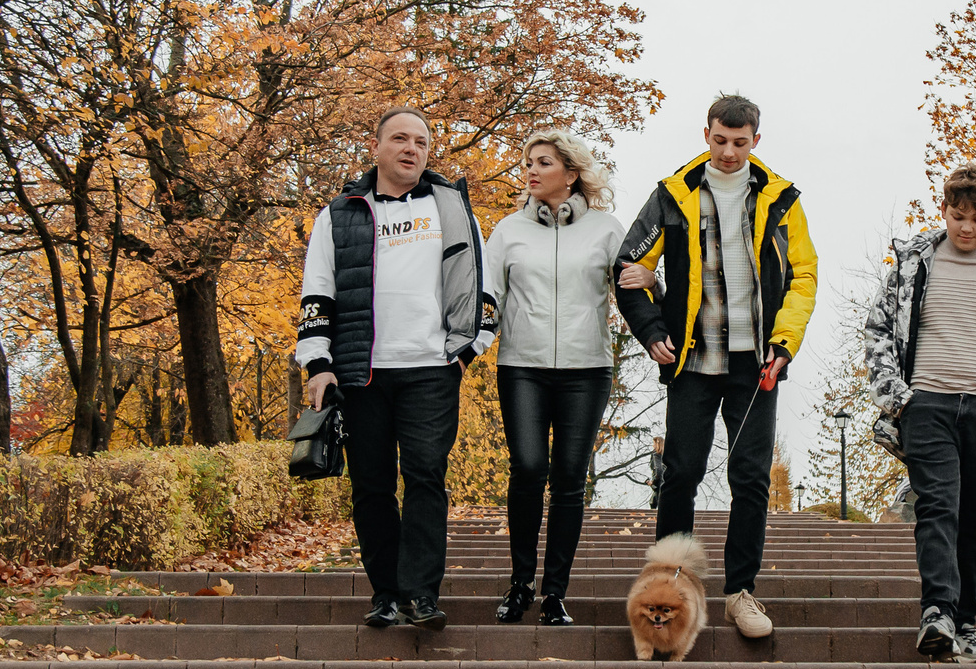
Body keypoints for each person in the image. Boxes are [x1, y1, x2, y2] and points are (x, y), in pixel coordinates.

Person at [615, 94, 818, 639]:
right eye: (720, 140)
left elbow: (803, 275)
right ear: (705, 134)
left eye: (740, 142)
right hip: (692, 362)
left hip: (757, 363)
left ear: (756, 141)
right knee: (681, 473)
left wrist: (785, 341)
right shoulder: (672, 194)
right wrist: (652, 329)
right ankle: (670, 586)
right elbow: (629, 266)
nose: (729, 152)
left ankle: (740, 591)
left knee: (750, 477)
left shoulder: (781, 200)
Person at [298, 107, 497, 630]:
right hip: (360, 372)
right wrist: (317, 363)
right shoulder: (338, 214)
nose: (412, 149)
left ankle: (422, 595)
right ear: (376, 146)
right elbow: (317, 292)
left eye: (422, 142)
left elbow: (485, 289)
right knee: (372, 484)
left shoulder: (452, 210)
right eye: (401, 139)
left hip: (431, 368)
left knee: (426, 477)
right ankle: (386, 593)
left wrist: (466, 352)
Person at [860, 162, 976, 664]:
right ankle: (937, 614)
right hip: (927, 404)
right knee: (938, 506)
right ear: (943, 209)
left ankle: (966, 625)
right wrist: (898, 397)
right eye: (958, 215)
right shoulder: (913, 263)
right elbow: (877, 328)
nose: (967, 227)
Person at [484, 128, 627, 625]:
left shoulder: (607, 230)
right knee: (527, 467)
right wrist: (466, 346)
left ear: (570, 174)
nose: (531, 170)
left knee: (569, 479)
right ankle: (520, 584)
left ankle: (554, 594)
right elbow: (487, 298)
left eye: (543, 162)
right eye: (528, 162)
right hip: (521, 365)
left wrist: (655, 280)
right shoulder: (507, 232)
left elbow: (634, 285)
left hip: (587, 370)